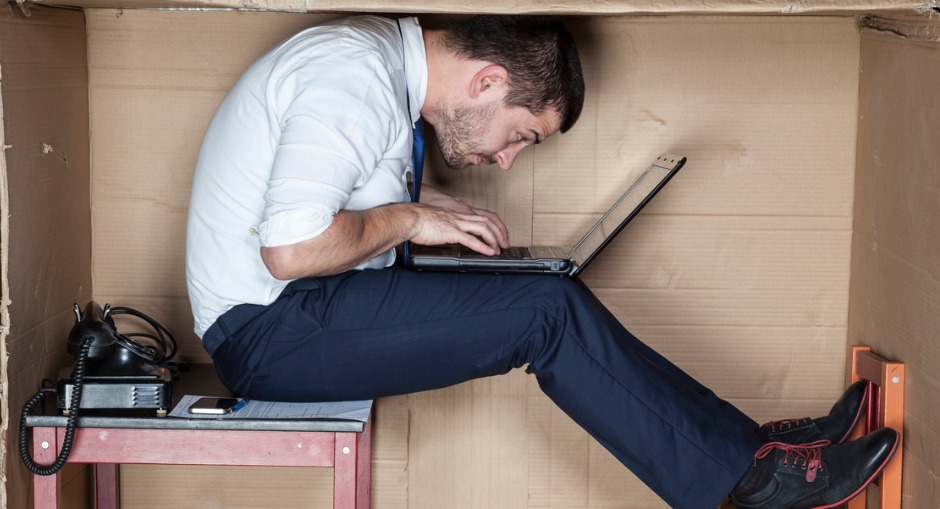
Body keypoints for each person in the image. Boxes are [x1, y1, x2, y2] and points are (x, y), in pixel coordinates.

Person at [185, 14, 898, 509]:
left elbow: (325, 187)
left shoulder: (372, 63)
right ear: (489, 80)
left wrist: (431, 205)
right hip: (269, 329)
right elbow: (290, 250)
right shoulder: (355, 76)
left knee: (540, 293)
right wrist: (412, 215)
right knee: (546, 312)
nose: (505, 159)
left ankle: (751, 448)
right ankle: (754, 483)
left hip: (298, 313)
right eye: (521, 135)